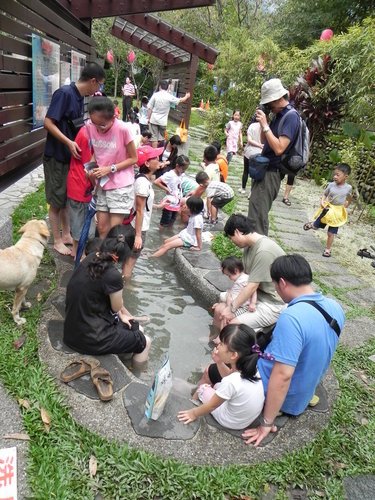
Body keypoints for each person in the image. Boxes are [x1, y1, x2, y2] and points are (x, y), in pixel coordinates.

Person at [242, 254, 345, 446]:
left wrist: (266, 423)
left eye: (274, 285)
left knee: (220, 367)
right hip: (305, 391)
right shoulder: (335, 307)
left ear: (282, 282)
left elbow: (283, 376)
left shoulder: (292, 317)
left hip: (285, 397)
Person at [43, 62, 105, 255]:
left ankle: (67, 234)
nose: (98, 89)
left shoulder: (79, 97)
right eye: (99, 85)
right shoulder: (64, 94)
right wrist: (69, 143)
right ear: (93, 81)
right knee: (56, 200)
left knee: (65, 198)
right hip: (57, 156)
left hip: (69, 158)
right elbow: (48, 122)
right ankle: (57, 240)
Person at [64, 235, 151, 361]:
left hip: (72, 333)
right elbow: (116, 308)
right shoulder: (113, 275)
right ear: (122, 258)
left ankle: (126, 354)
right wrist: (119, 287)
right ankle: (136, 371)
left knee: (137, 328)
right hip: (91, 339)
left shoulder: (90, 258)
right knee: (145, 341)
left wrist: (124, 315)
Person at [177, 324, 265, 430]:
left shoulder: (231, 382)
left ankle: (192, 403)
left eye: (222, 344)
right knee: (215, 380)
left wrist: (193, 414)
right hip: (244, 418)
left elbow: (212, 406)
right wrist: (219, 362)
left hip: (230, 421)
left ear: (233, 355)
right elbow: (232, 380)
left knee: (203, 388)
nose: (218, 345)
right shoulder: (250, 367)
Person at [248, 78, 300, 236]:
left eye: (269, 102)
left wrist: (265, 125)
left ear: (277, 98)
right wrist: (264, 123)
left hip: (272, 172)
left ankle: (259, 253)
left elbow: (279, 148)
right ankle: (252, 249)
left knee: (259, 215)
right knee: (254, 210)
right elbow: (265, 141)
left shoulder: (291, 116)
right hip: (264, 169)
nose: (268, 106)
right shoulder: (278, 115)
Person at [219, 214, 285, 331]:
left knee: (231, 325)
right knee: (220, 306)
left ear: (238, 232)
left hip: (272, 303)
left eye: (231, 237)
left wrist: (231, 309)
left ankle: (222, 344)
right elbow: (245, 278)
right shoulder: (249, 246)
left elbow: (252, 286)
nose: (231, 241)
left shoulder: (264, 251)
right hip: (257, 295)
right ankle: (215, 339)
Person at [87, 97, 137, 239]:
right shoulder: (91, 126)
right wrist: (90, 168)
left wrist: (110, 169)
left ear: (113, 117)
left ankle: (110, 259)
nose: (98, 129)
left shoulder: (123, 129)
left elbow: (134, 158)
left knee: (114, 232)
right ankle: (100, 259)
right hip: (102, 183)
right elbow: (97, 153)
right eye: (94, 124)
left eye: (102, 125)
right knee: (102, 228)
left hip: (120, 185)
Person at [121, 145, 164, 279]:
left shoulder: (142, 179)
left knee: (128, 257)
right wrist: (139, 235)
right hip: (137, 227)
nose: (158, 159)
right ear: (147, 163)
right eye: (155, 158)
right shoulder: (143, 183)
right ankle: (126, 284)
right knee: (131, 259)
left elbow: (142, 205)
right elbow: (139, 210)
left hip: (135, 224)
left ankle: (124, 279)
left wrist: (157, 206)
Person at [303, 163, 353, 257]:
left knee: (331, 233)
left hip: (337, 213)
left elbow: (350, 197)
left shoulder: (348, 188)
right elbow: (325, 195)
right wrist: (322, 202)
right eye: (334, 174)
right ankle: (312, 224)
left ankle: (328, 249)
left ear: (346, 176)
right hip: (327, 209)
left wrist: (347, 204)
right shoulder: (331, 185)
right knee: (316, 226)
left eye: (338, 175)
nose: (335, 176)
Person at [66, 122, 95, 260]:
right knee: (82, 222)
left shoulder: (85, 130)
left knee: (77, 218)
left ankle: (75, 249)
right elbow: (90, 168)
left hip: (75, 183)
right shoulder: (89, 136)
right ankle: (79, 252)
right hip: (82, 185)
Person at [212, 257, 256, 333]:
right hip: (233, 302)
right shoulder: (239, 278)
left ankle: (221, 337)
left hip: (242, 307)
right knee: (222, 298)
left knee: (225, 317)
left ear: (236, 270)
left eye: (229, 275)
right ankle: (215, 331)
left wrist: (253, 303)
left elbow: (253, 291)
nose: (229, 278)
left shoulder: (245, 279)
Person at [147, 80, 191, 147]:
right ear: (167, 88)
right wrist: (186, 96)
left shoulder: (155, 95)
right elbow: (180, 100)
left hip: (154, 120)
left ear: (160, 87)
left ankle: (154, 154)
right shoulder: (169, 96)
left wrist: (148, 118)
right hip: (163, 122)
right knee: (161, 138)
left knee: (154, 138)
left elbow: (149, 108)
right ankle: (159, 152)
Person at [154, 155, 190, 228]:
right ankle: (161, 234)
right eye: (183, 169)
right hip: (169, 202)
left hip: (177, 201)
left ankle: (167, 234)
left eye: (185, 169)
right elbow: (156, 182)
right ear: (177, 166)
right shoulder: (170, 174)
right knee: (164, 222)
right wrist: (167, 189)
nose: (184, 171)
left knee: (172, 221)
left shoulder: (182, 174)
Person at [240, 118, 263, 195]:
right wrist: (260, 145)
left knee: (245, 170)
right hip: (259, 153)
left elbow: (249, 140)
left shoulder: (252, 125)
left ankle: (243, 188)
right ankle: (251, 192)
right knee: (255, 174)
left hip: (249, 152)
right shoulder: (267, 128)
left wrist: (258, 144)